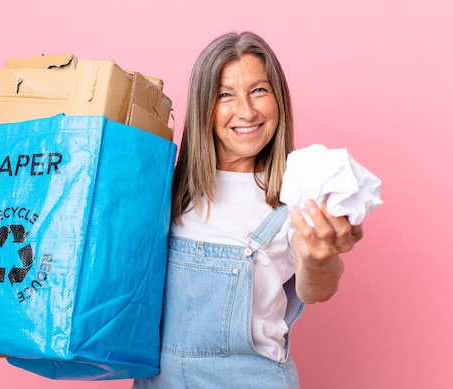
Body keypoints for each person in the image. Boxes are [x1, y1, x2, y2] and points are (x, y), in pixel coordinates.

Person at [132, 31, 363, 389]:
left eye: (259, 90)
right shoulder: (165, 190)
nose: (247, 110)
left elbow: (316, 286)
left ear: (278, 100)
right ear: (204, 106)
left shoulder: (296, 197)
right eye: (225, 95)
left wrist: (320, 258)